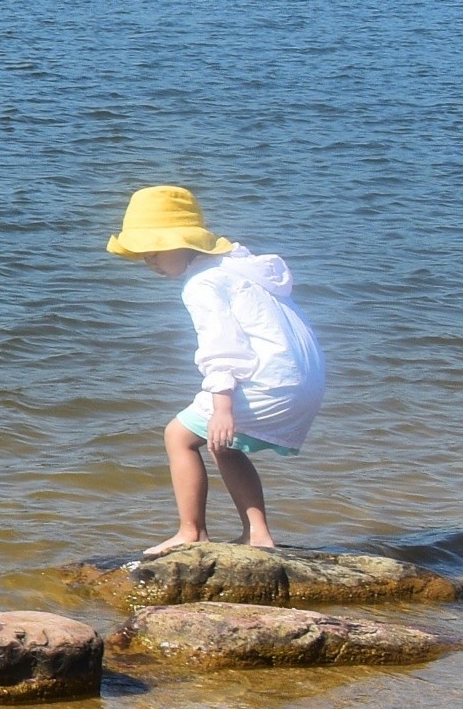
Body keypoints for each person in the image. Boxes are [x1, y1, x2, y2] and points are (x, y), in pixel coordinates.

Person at [107, 184, 323, 552]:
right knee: (222, 444)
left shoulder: (201, 284)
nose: (151, 263)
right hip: (303, 380)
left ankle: (192, 532)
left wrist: (222, 406)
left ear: (184, 242)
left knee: (178, 435)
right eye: (144, 256)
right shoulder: (238, 268)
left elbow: (223, 347)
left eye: (155, 251)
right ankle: (259, 534)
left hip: (270, 381)